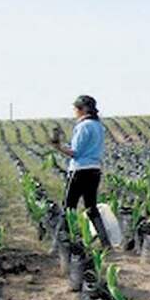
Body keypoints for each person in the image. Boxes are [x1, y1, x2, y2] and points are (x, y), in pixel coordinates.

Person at [50, 95, 110, 247]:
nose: (74, 112)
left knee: (68, 207)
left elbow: (75, 152)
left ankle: (59, 244)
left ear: (82, 109)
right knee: (91, 207)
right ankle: (105, 242)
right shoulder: (99, 126)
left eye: (75, 109)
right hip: (94, 169)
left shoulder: (83, 126)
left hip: (79, 170)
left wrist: (58, 147)